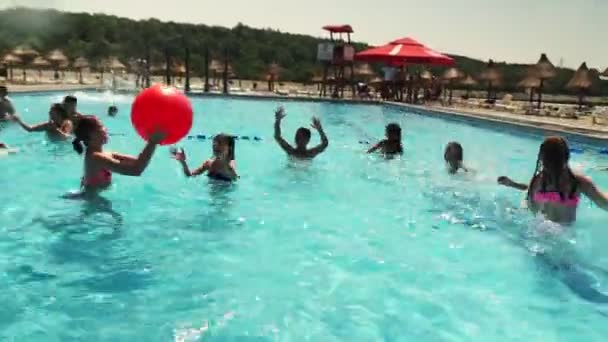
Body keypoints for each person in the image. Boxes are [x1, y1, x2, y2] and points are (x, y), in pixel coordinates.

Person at [498, 136, 608, 224]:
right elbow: (604, 203)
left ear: (542, 158)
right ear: (567, 157)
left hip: (540, 232)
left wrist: (513, 185)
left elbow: (532, 207)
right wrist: (513, 184)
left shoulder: (538, 181)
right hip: (566, 235)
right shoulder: (578, 182)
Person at [72, 115, 165, 192]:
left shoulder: (107, 154)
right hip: (92, 202)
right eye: (101, 127)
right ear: (91, 135)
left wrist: (152, 138)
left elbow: (137, 162)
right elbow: (136, 170)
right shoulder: (95, 157)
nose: (105, 130)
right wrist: (152, 142)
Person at [171, 134, 238, 181]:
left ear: (229, 148)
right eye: (214, 142)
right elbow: (190, 176)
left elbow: (235, 181)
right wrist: (183, 162)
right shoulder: (208, 164)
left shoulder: (230, 167)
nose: (215, 145)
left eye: (220, 143)